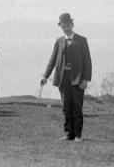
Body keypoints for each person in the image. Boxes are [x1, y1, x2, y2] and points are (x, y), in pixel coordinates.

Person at [41, 13, 92, 142]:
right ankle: (68, 134)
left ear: (72, 25)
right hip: (63, 79)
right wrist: (45, 76)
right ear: (61, 27)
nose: (66, 28)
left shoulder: (82, 40)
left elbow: (87, 61)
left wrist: (85, 79)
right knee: (66, 107)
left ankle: (78, 135)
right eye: (63, 26)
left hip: (77, 79)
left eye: (68, 26)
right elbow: (52, 60)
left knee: (77, 107)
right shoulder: (59, 41)